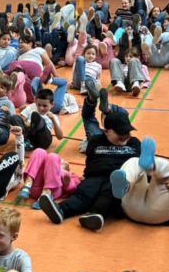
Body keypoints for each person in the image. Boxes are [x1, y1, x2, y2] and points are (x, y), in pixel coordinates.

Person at [39, 99, 143, 231]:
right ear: (107, 132)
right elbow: (91, 161)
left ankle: (95, 214)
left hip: (119, 179)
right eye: (119, 133)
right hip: (96, 176)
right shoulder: (96, 141)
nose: (124, 136)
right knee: (85, 192)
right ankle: (61, 210)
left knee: (109, 193)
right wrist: (86, 176)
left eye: (126, 132)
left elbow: (138, 166)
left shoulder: (134, 143)